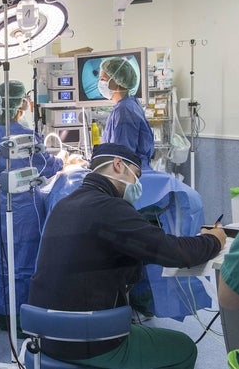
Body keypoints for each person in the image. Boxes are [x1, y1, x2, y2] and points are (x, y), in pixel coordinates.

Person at [28, 143, 227, 369]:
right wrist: (215, 238)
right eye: (137, 176)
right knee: (184, 348)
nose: (137, 185)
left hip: (45, 336)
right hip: (88, 340)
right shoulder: (110, 208)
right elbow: (176, 252)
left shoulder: (65, 204)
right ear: (118, 164)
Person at [0, 80, 64, 328]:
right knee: (27, 258)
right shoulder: (26, 135)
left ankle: (4, 312)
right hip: (26, 208)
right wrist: (63, 160)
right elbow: (46, 166)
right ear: (21, 103)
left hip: (1, 206)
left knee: (3, 258)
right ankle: (26, 317)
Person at [99, 57, 155, 169]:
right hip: (133, 171)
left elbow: (121, 158)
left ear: (117, 81)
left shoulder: (124, 111)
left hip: (129, 175)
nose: (100, 83)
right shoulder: (130, 103)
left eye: (103, 79)